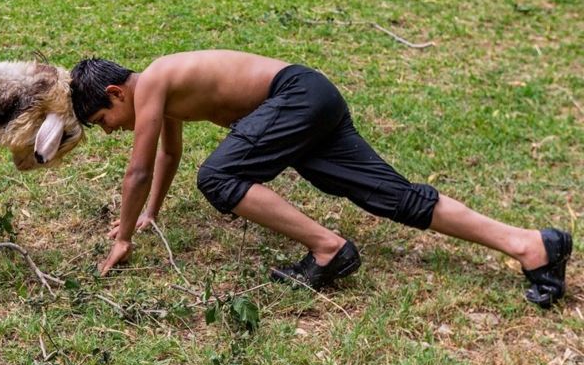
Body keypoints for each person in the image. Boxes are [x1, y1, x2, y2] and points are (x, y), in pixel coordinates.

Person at [69, 52, 573, 308]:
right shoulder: (162, 88)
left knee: (219, 177)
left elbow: (138, 168)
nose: (111, 132)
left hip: (295, 97)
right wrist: (152, 212)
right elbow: (167, 155)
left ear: (115, 93)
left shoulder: (154, 78)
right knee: (394, 197)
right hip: (310, 96)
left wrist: (125, 235)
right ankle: (531, 245)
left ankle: (327, 248)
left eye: (102, 122)